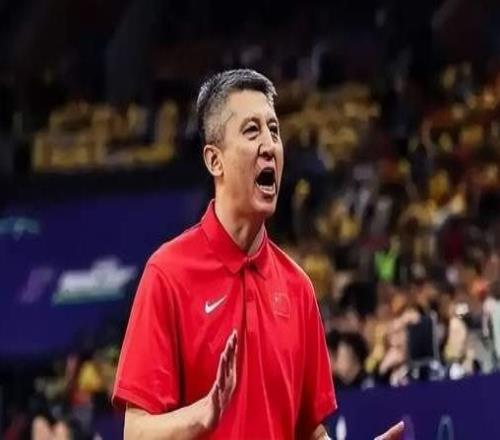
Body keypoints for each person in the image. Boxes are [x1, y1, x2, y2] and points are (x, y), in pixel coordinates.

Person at [112, 69, 404, 439]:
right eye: (252, 131)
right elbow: (136, 432)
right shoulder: (168, 274)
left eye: (274, 130)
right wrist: (202, 415)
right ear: (214, 160)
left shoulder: (298, 287)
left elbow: (310, 432)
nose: (269, 145)